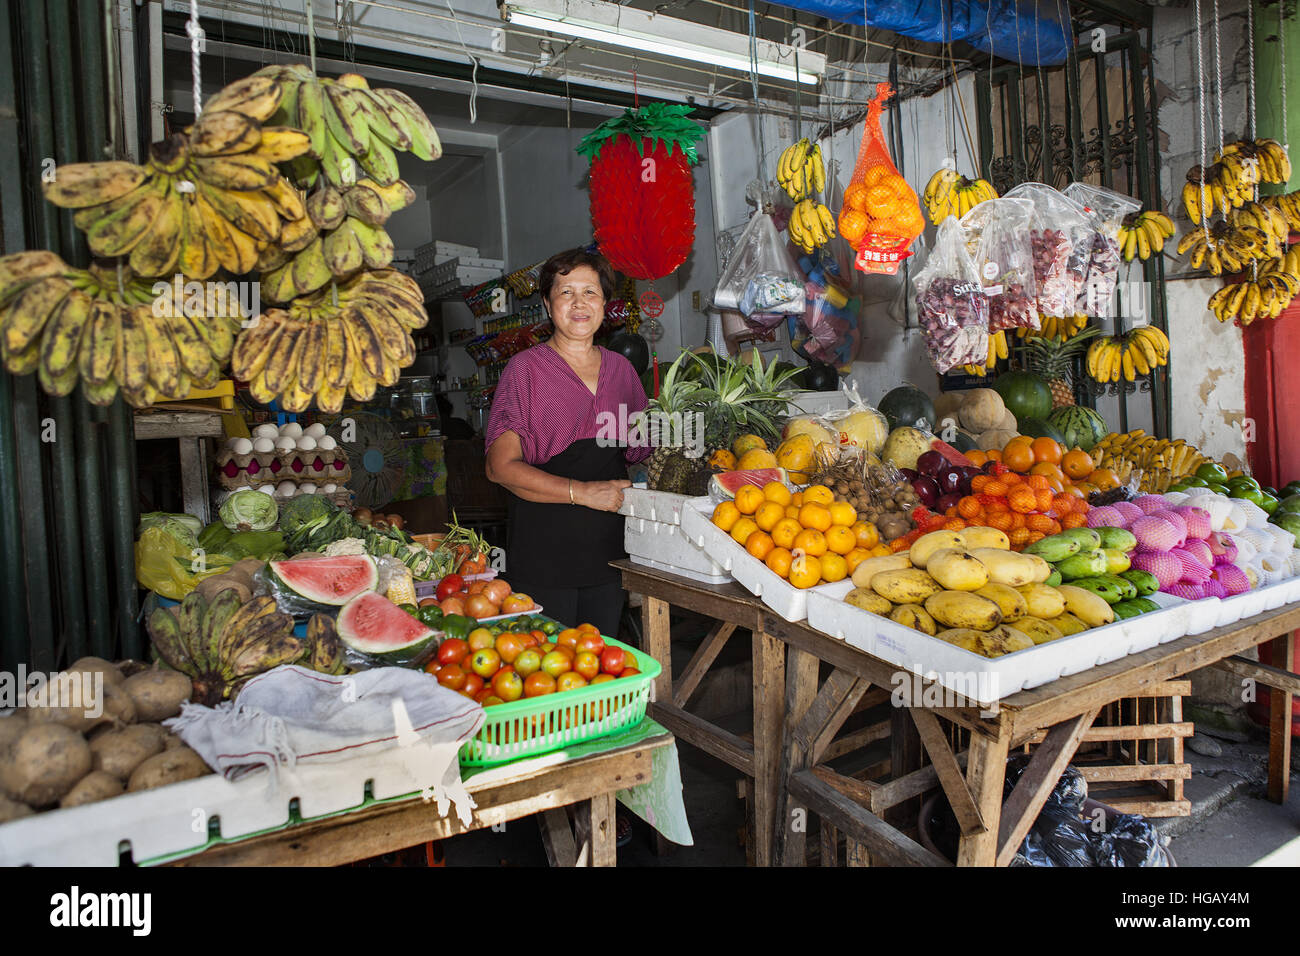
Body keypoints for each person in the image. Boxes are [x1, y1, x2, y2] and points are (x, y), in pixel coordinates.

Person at [484, 249, 649, 638]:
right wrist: (582, 492)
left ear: (605, 304)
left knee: (604, 656)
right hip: (546, 548)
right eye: (566, 292)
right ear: (547, 302)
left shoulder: (622, 370)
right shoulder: (525, 370)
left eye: (590, 292)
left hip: (610, 549)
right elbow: (499, 467)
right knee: (550, 665)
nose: (579, 303)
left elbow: (641, 452)